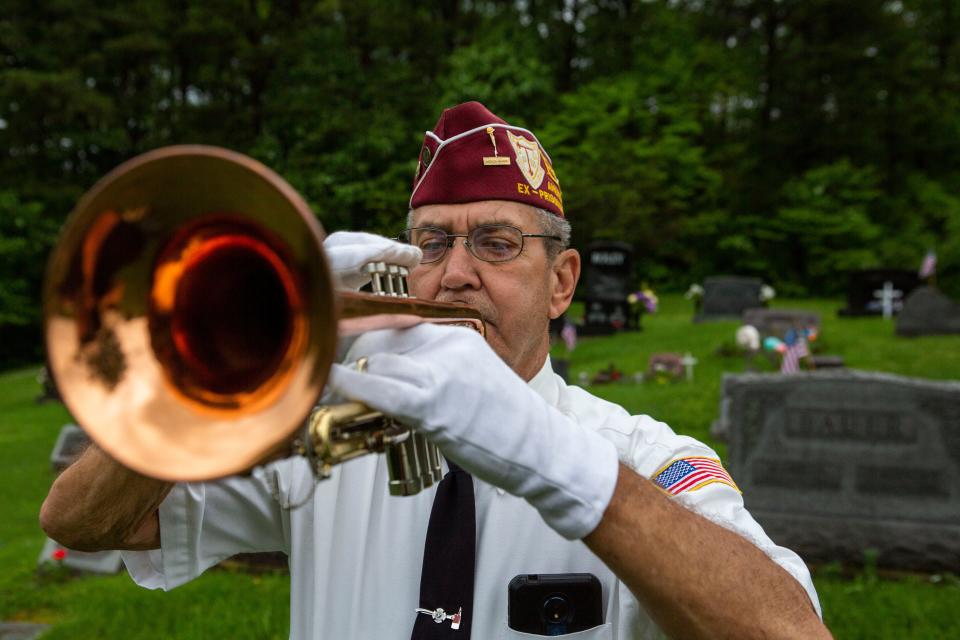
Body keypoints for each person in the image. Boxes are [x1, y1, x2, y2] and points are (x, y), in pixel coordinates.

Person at [41, 101, 831, 639]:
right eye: (430, 242)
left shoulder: (639, 454)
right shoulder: (333, 441)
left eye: (494, 243)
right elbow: (80, 523)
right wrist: (210, 371)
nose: (453, 274)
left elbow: (793, 631)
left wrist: (559, 464)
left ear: (562, 282)